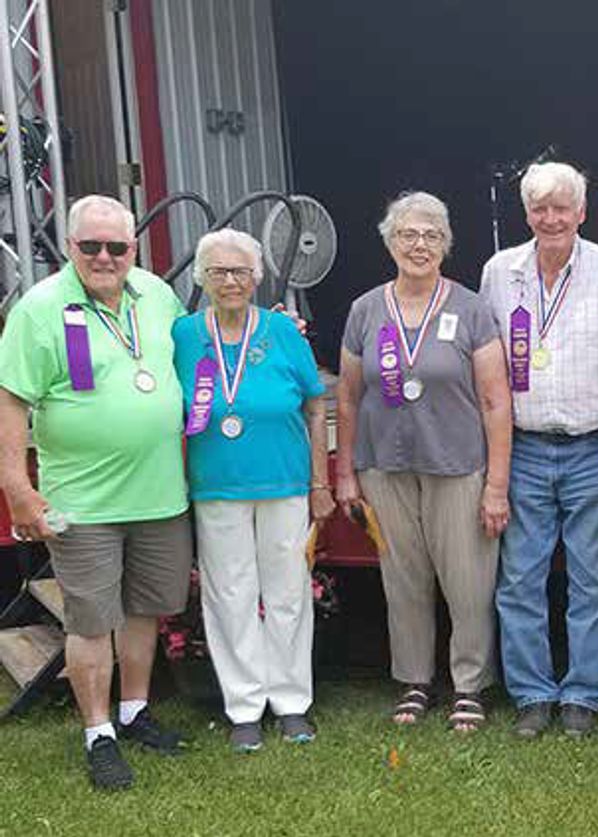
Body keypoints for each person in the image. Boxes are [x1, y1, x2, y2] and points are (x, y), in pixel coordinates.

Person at [0, 195, 190, 790]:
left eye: (118, 246)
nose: (106, 257)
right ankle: (98, 733)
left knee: (142, 612)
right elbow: (11, 401)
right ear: (70, 247)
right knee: (89, 622)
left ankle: (134, 711)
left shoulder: (157, 295)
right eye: (91, 247)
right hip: (82, 503)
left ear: (135, 247)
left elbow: (199, 354)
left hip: (160, 495)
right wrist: (16, 486)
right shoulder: (40, 309)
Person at [336, 192, 511, 733]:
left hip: (457, 464)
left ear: (446, 245)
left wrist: (497, 485)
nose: (419, 245)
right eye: (409, 235)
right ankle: (414, 680)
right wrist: (344, 471)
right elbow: (346, 396)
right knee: (403, 578)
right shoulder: (365, 309)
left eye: (431, 236)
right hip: (383, 467)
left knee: (468, 582)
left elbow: (495, 399)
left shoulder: (470, 308)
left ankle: (470, 684)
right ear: (390, 242)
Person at [480, 161, 598, 738]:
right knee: (519, 577)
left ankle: (581, 694)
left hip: (593, 445)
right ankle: (530, 694)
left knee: (596, 579)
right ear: (526, 213)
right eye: (539, 208)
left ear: (581, 212)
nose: (550, 218)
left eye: (561, 207)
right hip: (523, 446)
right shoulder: (499, 272)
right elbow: (487, 364)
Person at [171, 229, 332, 752]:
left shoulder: (284, 333)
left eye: (240, 271)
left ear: (257, 277)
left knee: (287, 591)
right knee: (228, 594)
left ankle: (291, 702)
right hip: (217, 485)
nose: (231, 281)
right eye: (218, 272)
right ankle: (244, 706)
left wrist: (318, 481)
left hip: (284, 481)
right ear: (202, 278)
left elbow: (314, 405)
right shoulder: (184, 334)